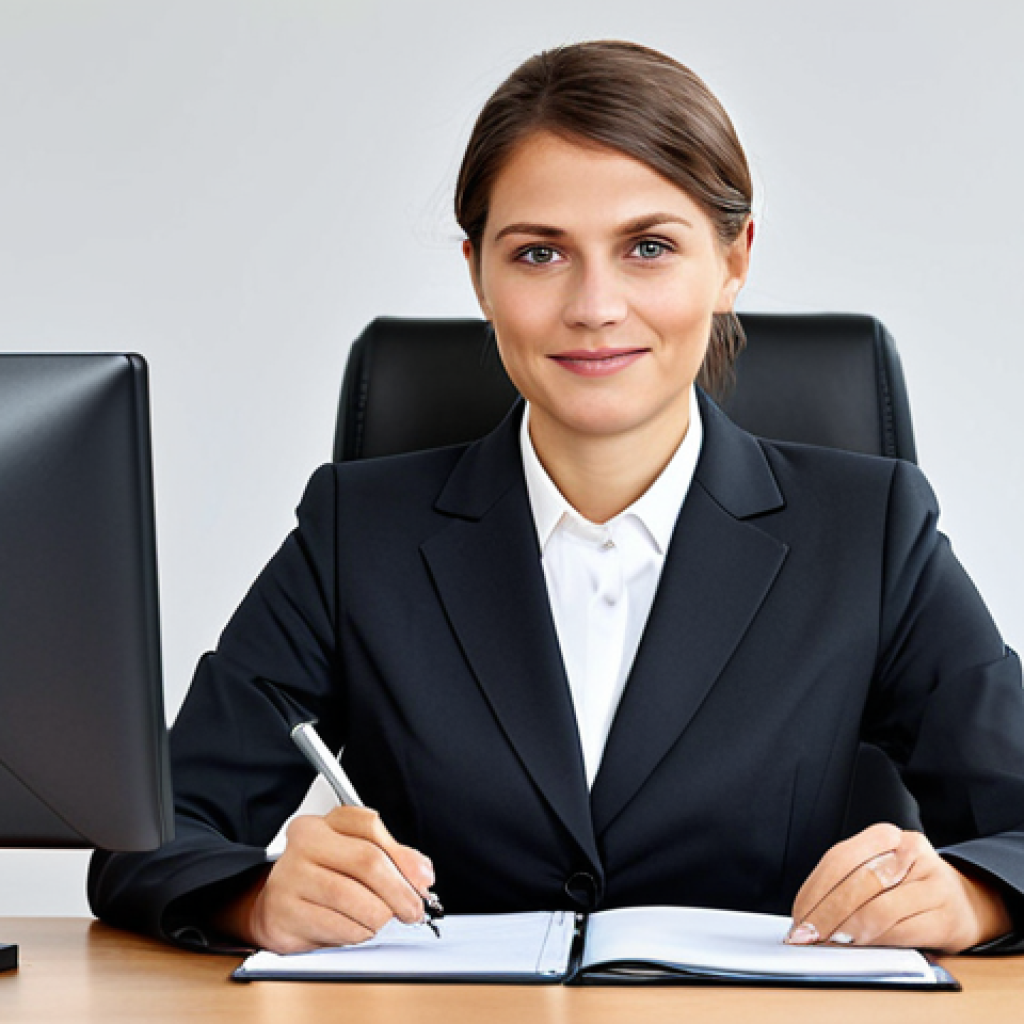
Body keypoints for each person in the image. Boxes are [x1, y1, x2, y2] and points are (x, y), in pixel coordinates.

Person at [89, 40, 1024, 956]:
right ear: (477, 273)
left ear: (734, 260)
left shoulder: (870, 532)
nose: (594, 305)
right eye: (539, 254)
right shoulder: (356, 532)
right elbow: (150, 836)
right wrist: (257, 898)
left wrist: (969, 900)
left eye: (649, 247)